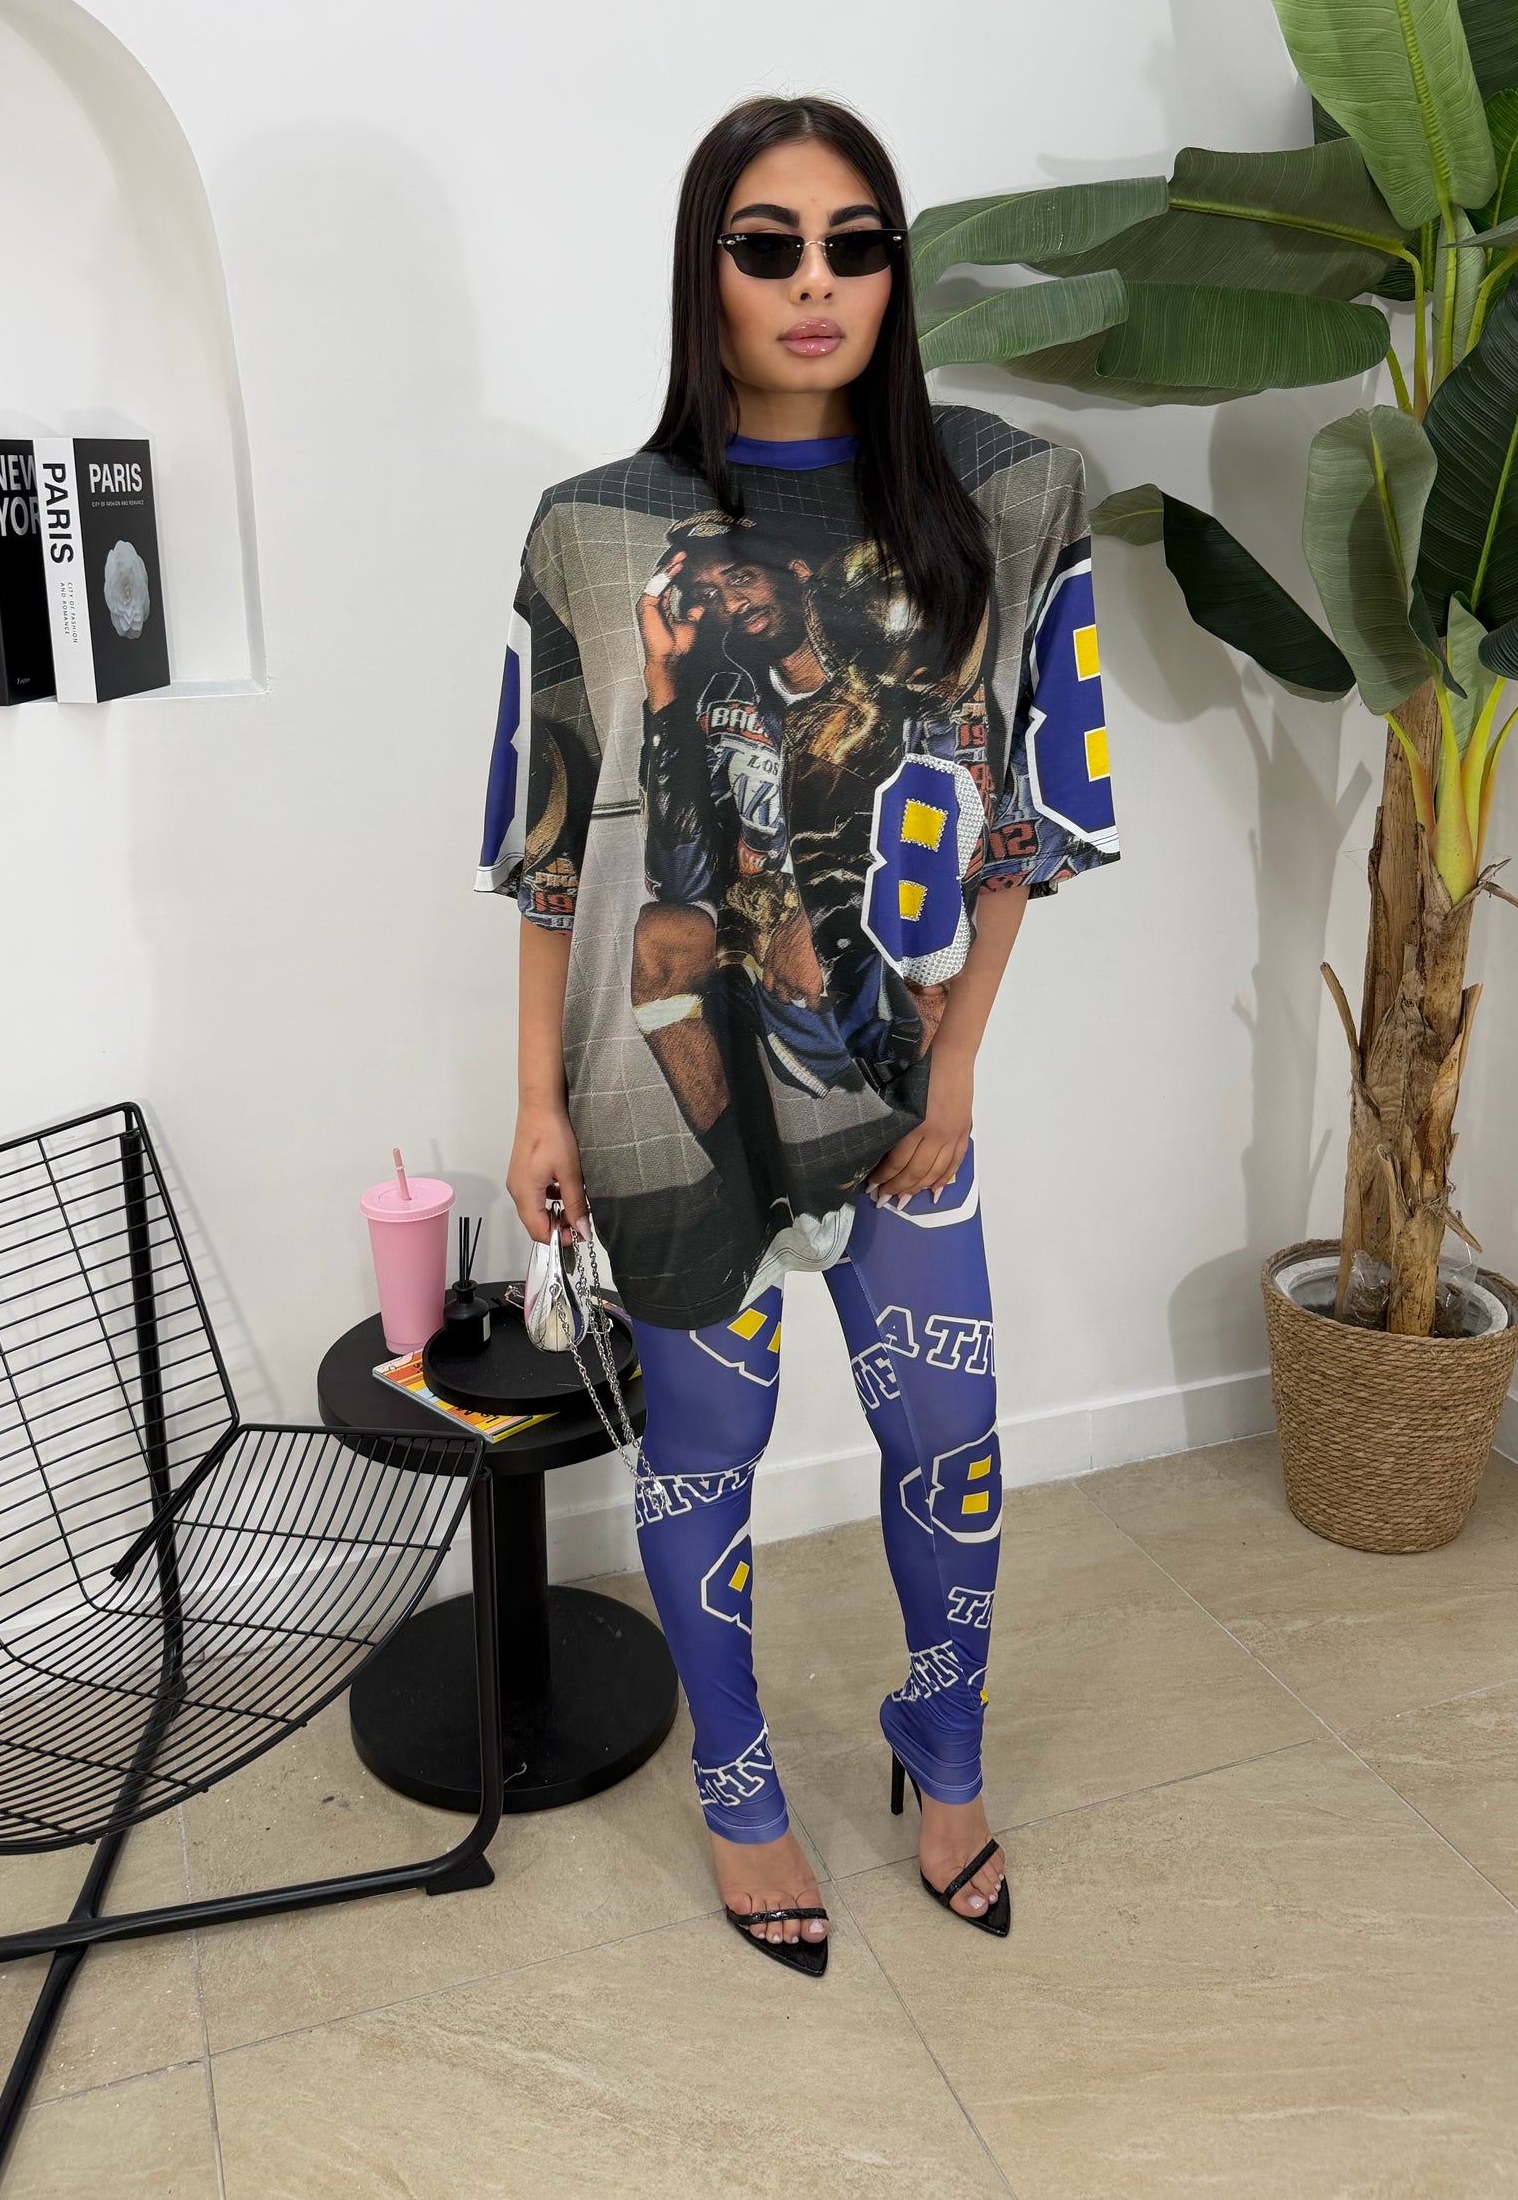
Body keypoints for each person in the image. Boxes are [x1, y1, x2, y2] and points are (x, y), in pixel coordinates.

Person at [476, 95, 1118, 1976]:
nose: (815, 282)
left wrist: (959, 1064)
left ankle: (946, 1759)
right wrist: (537, 1105)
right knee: (706, 1455)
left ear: (893, 270)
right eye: (768, 246)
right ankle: (740, 1789)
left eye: (854, 243)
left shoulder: (1003, 494)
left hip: (900, 1085)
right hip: (674, 1092)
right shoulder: (598, 529)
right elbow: (552, 855)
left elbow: (1020, 821)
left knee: (951, 1440)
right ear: (709, 272)